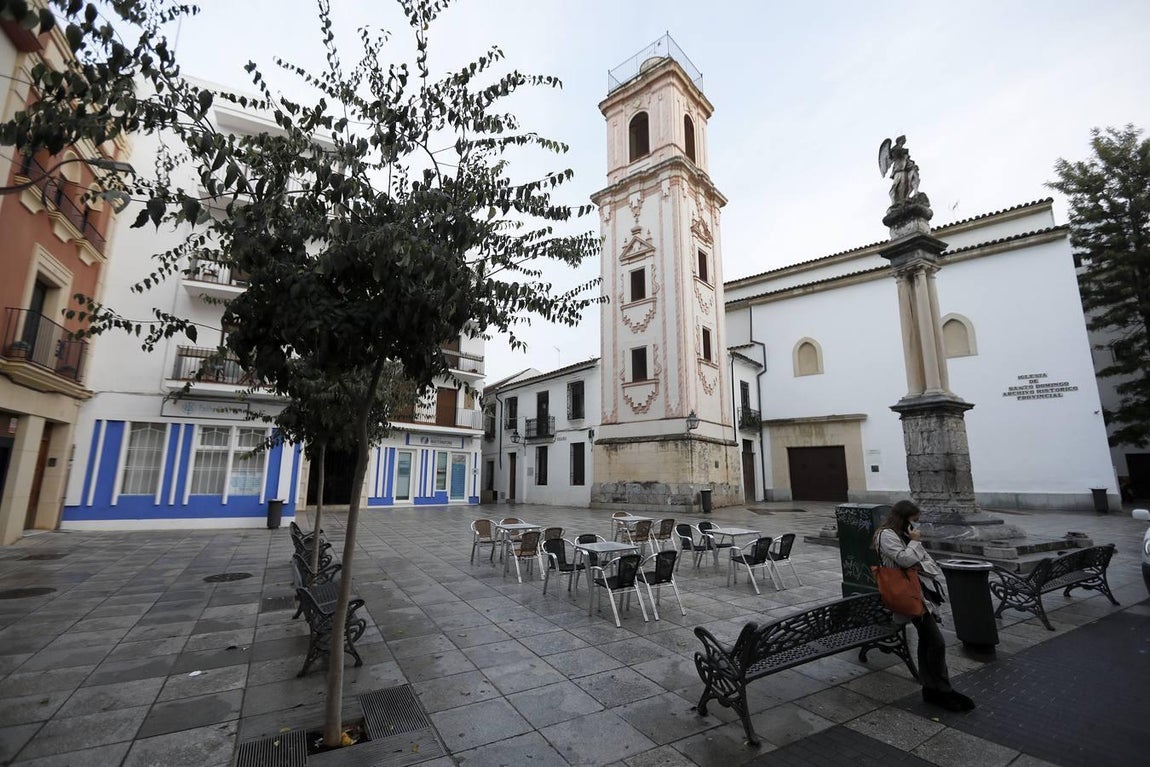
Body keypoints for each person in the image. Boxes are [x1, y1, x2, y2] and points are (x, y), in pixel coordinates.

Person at [874, 500, 975, 712]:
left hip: (920, 593)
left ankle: (931, 688)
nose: (916, 526)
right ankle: (942, 690)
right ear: (903, 518)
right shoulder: (886, 535)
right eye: (913, 521)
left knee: (928, 640)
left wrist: (915, 550)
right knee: (936, 642)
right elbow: (904, 560)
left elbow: (928, 563)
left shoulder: (905, 535)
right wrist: (915, 544)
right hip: (908, 595)